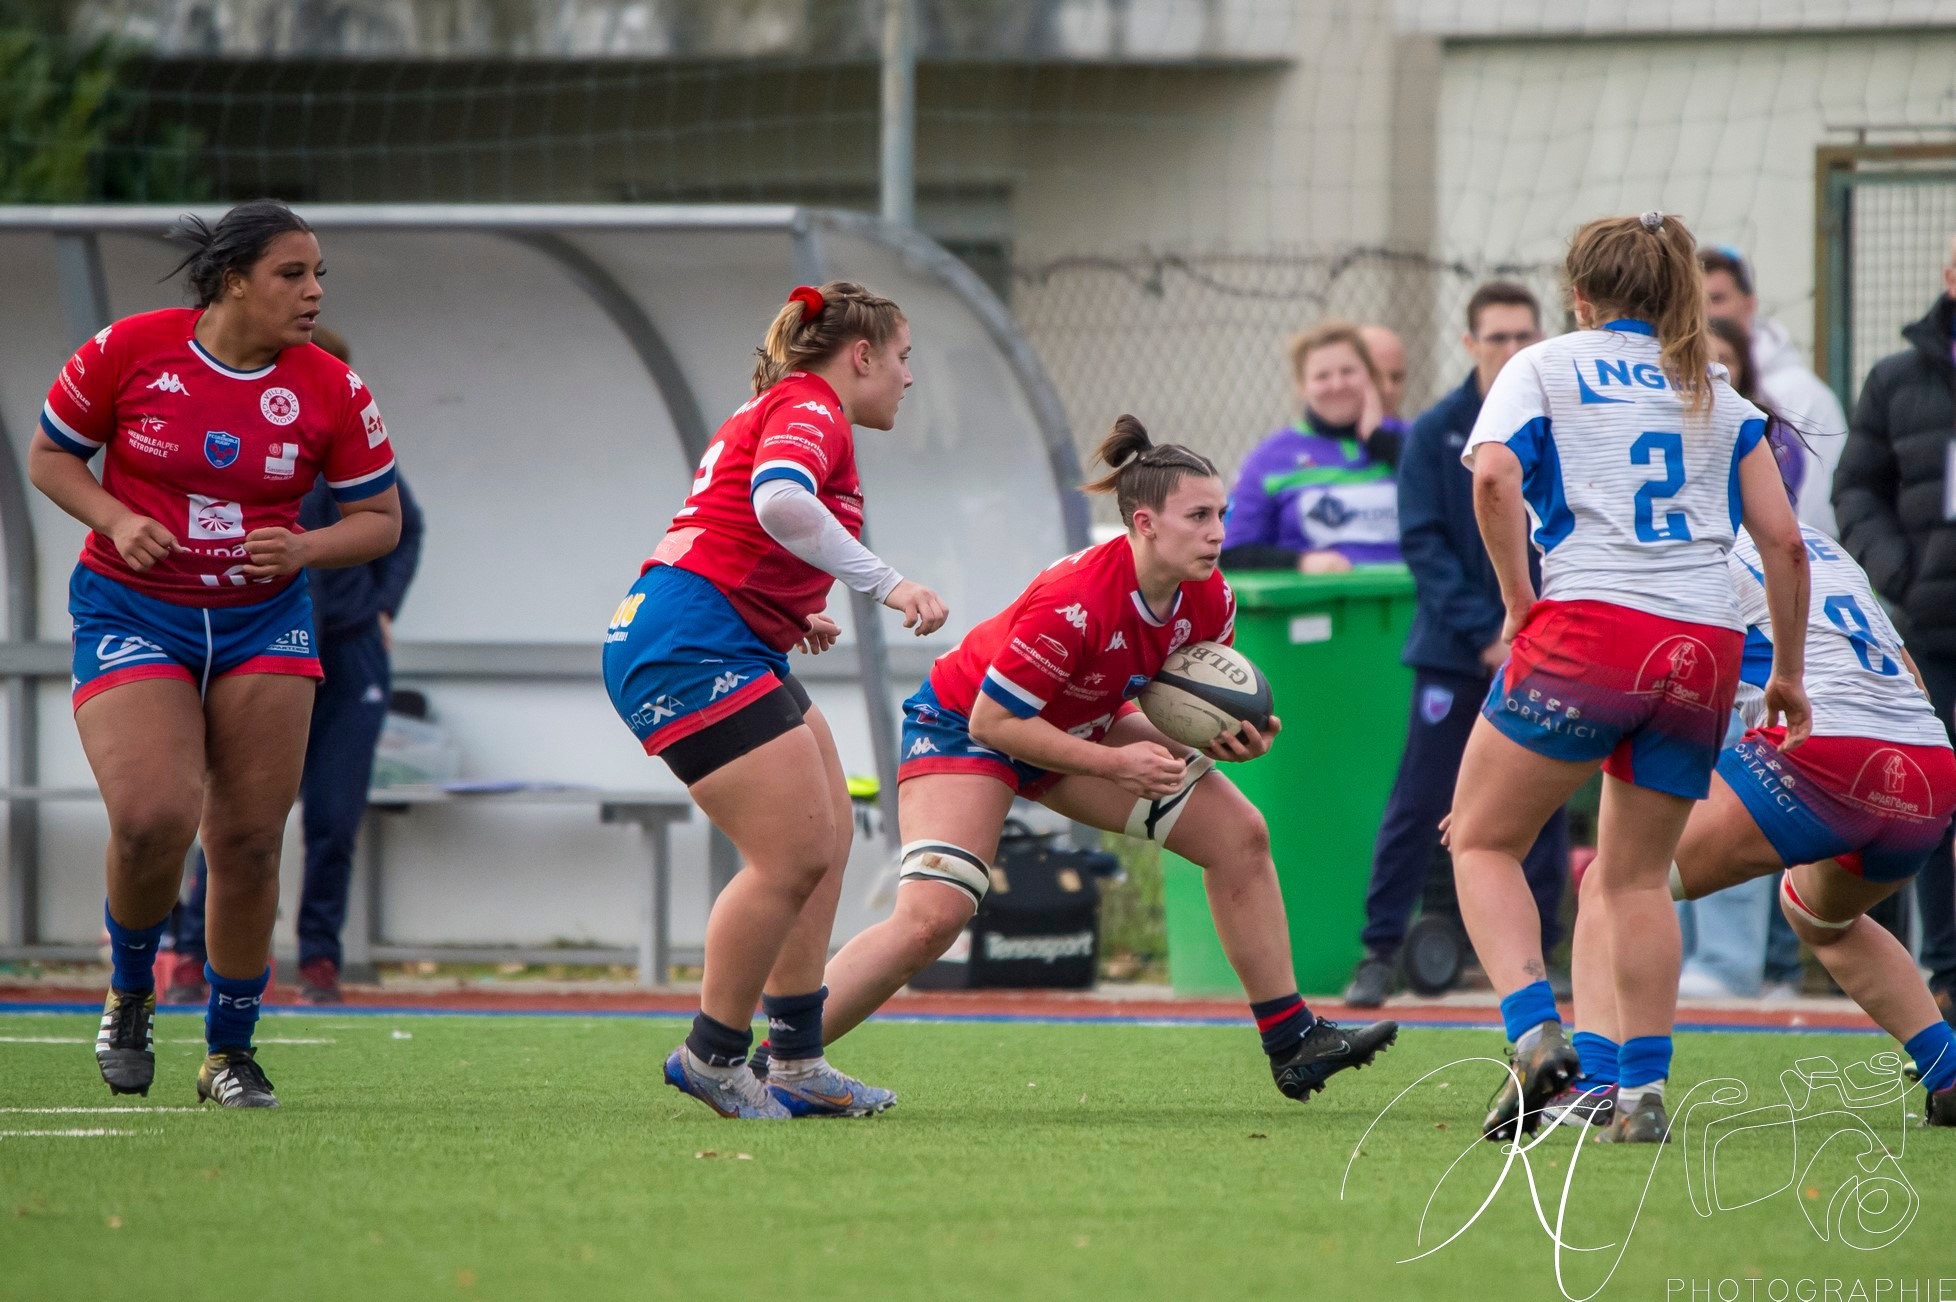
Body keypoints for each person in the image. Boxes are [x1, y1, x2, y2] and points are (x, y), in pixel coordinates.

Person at [808, 416, 1399, 1104]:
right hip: (963, 726)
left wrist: (1226, 739)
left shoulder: (1212, 597)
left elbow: (1161, 700)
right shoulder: (1075, 601)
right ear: (1144, 523)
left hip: (1081, 721)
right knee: (935, 915)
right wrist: (1117, 765)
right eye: (1199, 516)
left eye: (1222, 515)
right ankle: (780, 1060)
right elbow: (994, 720)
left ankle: (1293, 1040)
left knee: (1240, 837)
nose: (1218, 532)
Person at [1447, 211, 1809, 1145]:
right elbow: (1783, 544)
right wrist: (1791, 677)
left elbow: (1492, 479)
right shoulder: (1715, 389)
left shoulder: (1544, 363)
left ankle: (1534, 1034)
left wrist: (1519, 599)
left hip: (1593, 627)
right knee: (1637, 879)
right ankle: (1640, 1093)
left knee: (1480, 839)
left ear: (1579, 295)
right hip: (1703, 644)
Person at [32, 200, 404, 1108]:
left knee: (245, 840)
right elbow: (51, 457)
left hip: (261, 621)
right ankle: (129, 989)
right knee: (154, 816)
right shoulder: (128, 349)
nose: (313, 292)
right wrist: (118, 518)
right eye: (293, 274)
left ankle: (229, 1054)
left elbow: (381, 521)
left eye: (319, 275)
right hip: (134, 609)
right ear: (233, 278)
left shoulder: (333, 388)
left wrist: (307, 548)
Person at [603, 281, 946, 1119]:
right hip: (690, 644)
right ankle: (713, 1054)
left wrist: (790, 608)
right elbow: (778, 501)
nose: (909, 377)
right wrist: (887, 584)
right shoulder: (813, 404)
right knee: (790, 852)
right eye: (903, 358)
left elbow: (736, 527)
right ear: (859, 355)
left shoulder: (797, 405)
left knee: (825, 833)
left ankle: (793, 1058)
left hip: (714, 633)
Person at [1552, 522, 1956, 1129]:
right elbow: (1909, 677)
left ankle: (1601, 1082)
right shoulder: (1819, 540)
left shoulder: (1689, 541)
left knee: (1616, 879)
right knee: (1819, 915)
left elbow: (1654, 682)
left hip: (1822, 751)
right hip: (1930, 766)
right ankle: (1948, 1070)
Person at [167, 326, 426, 1006]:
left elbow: (403, 527)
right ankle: (194, 953)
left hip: (349, 646)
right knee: (236, 812)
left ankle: (318, 960)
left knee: (334, 816)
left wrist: (383, 607)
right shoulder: (245, 445)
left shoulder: (357, 451)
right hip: (262, 640)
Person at [1346, 283, 1568, 1008]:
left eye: (1523, 336)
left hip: (1541, 655)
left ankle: (1537, 955)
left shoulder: (1560, 425)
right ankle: (1379, 951)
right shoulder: (1436, 434)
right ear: (1470, 345)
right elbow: (1425, 545)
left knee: (1542, 801)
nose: (1511, 349)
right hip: (1456, 655)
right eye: (1496, 337)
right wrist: (1486, 634)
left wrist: (1535, 634)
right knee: (1420, 799)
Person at [1833, 234, 1956, 1029]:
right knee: (1936, 805)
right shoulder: (1896, 380)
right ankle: (1946, 975)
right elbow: (1856, 491)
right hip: (1933, 631)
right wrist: (1899, 577)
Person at [1668, 317, 1807, 1002]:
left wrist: (1783, 667)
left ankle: (1729, 962)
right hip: (1680, 654)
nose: (1707, 379)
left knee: (1729, 808)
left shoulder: (1749, 434)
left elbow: (1784, 544)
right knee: (1675, 809)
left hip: (1744, 655)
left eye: (1719, 366)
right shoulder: (1660, 432)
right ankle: (1691, 954)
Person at [1220, 321, 1402, 574]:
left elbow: (1454, 500)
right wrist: (1301, 562)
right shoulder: (1268, 458)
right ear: (1301, 387)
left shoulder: (1411, 440)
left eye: (1348, 371)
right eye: (1322, 376)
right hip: (1321, 606)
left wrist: (1378, 440)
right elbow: (1233, 555)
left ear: (1370, 376)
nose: (1337, 385)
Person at [1699, 246, 1848, 536]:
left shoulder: (1803, 394)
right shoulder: (1672, 392)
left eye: (1717, 299)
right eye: (1694, 301)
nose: (1705, 312)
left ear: (1749, 304)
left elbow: (1817, 513)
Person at [1360, 323, 1410, 424]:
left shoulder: (1413, 436)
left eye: (1396, 378)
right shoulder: (1324, 438)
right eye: (1375, 378)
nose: (1388, 389)